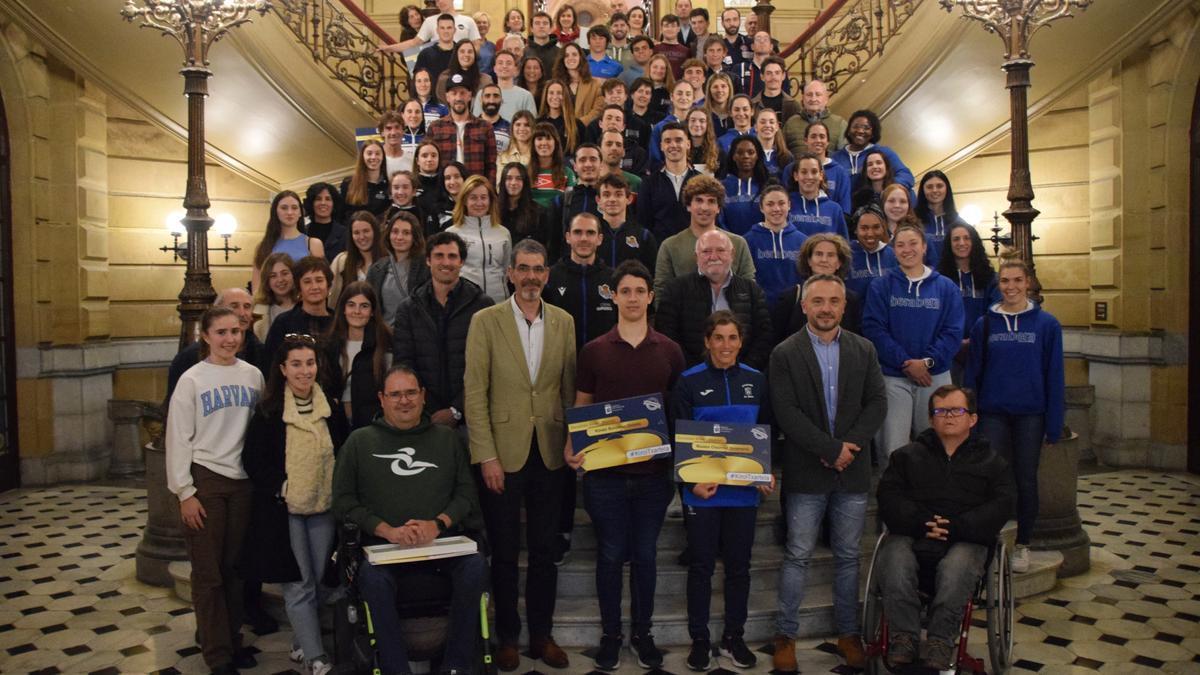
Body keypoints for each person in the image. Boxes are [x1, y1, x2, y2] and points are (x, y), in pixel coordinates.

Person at [565, 260, 686, 671]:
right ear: (613, 296)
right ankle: (611, 636)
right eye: (625, 291)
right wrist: (571, 444)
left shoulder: (669, 350)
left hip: (654, 477)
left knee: (647, 556)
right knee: (611, 555)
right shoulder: (593, 350)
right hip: (605, 477)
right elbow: (582, 405)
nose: (633, 298)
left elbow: (677, 413)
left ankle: (644, 634)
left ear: (651, 297)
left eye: (640, 291)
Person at [464, 239, 577, 670]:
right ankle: (509, 637)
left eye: (538, 269)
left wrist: (573, 441)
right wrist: (486, 456)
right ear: (510, 273)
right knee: (506, 552)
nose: (531, 276)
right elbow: (475, 394)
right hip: (502, 457)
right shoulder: (486, 321)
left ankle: (542, 636)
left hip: (549, 452)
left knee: (545, 552)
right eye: (523, 268)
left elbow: (568, 389)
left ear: (547, 275)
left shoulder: (564, 322)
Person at [331, 364, 487, 675]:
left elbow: (467, 496)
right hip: (383, 549)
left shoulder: (447, 440)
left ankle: (455, 666)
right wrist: (386, 529)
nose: (404, 401)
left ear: (423, 396)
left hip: (442, 545)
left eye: (411, 393)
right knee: (372, 580)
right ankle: (395, 669)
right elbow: (343, 502)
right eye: (396, 394)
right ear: (382, 399)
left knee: (476, 567)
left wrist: (437, 524)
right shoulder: (360, 443)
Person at [770, 274, 887, 672]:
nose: (825, 308)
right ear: (804, 305)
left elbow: (876, 403)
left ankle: (849, 634)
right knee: (798, 555)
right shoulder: (785, 352)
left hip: (851, 473)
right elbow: (786, 411)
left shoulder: (864, 349)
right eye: (817, 300)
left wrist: (846, 448)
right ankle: (785, 635)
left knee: (849, 557)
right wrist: (828, 448)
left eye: (833, 301)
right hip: (806, 471)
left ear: (843, 305)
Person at [875, 384, 1015, 671]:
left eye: (956, 410)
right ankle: (903, 636)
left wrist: (957, 527)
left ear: (972, 419)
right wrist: (921, 522)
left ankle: (941, 640)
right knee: (893, 556)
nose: (948, 417)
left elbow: (1001, 505)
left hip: (967, 539)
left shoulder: (993, 463)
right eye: (940, 411)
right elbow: (889, 497)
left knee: (958, 565)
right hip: (914, 534)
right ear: (930, 419)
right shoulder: (906, 457)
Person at [165, 307, 265, 675]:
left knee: (235, 569)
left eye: (236, 331)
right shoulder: (192, 380)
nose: (230, 339)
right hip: (206, 480)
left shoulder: (253, 376)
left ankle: (232, 639)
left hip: (242, 482)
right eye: (221, 332)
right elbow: (178, 437)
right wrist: (185, 492)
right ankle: (217, 654)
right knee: (208, 574)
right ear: (205, 336)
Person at [242, 334, 348, 675]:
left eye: (310, 363)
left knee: (319, 579)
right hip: (284, 512)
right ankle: (316, 656)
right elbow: (253, 461)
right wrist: (284, 487)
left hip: (324, 506)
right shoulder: (269, 411)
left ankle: (302, 640)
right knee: (298, 582)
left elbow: (345, 453)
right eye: (297, 364)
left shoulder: (330, 408)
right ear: (283, 369)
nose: (305, 371)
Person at [672, 310, 771, 671]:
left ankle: (733, 637)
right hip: (702, 492)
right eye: (719, 338)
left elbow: (765, 432)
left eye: (732, 338)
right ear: (707, 342)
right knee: (700, 567)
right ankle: (699, 640)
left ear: (740, 342)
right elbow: (677, 436)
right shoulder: (688, 381)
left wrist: (765, 473)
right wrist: (689, 481)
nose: (725, 345)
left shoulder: (757, 381)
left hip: (743, 494)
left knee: (739, 568)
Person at [965, 260, 1064, 573]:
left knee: (1025, 479)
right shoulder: (985, 324)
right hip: (992, 412)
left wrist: (1054, 424)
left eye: (1016, 280)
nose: (1010, 287)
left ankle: (1023, 544)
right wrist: (970, 413)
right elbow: (973, 373)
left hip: (1030, 415)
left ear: (1028, 282)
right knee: (990, 478)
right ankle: (987, 541)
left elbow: (1054, 374)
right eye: (1004, 281)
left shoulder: (1047, 325)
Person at [862, 225, 965, 468]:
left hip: (935, 376)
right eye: (900, 245)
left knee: (937, 442)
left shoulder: (946, 287)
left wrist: (927, 362)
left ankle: (932, 500)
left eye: (913, 244)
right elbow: (874, 328)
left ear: (925, 247)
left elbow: (953, 331)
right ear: (893, 250)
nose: (907, 250)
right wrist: (906, 363)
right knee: (892, 447)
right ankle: (894, 501)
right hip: (893, 376)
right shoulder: (881, 285)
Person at [391, 231, 494, 429]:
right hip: (424, 416)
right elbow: (404, 364)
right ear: (428, 260)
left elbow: (489, 365)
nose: (446, 262)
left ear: (462, 262)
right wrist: (427, 407)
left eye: (452, 256)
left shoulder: (483, 305)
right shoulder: (408, 308)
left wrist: (456, 410)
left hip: (473, 417)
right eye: (439, 256)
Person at [655, 229, 773, 370]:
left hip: (742, 376)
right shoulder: (675, 290)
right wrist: (697, 373)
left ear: (732, 254)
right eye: (706, 252)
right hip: (691, 377)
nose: (713, 257)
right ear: (696, 257)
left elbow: (764, 337)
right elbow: (668, 336)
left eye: (721, 250)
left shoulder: (752, 290)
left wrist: (742, 371)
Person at [653, 172, 756, 297]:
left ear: (718, 208)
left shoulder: (738, 244)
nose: (704, 207)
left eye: (711, 201)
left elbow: (749, 288)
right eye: (699, 200)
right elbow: (661, 291)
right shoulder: (670, 246)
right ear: (688, 205)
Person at [166, 288, 263, 408]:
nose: (242, 313)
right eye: (234, 306)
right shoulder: (189, 357)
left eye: (247, 306)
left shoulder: (262, 355)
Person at [772, 233, 863, 342]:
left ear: (839, 263)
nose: (824, 260)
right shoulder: (790, 298)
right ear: (809, 260)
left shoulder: (851, 299)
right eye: (819, 254)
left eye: (830, 255)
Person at [937, 223, 1000, 382]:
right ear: (949, 244)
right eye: (956, 239)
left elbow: (995, 312)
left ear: (974, 242)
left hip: (982, 346)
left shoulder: (990, 277)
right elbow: (936, 315)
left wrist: (974, 340)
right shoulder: (939, 279)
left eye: (966, 238)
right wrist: (955, 342)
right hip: (949, 350)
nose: (961, 243)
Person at [324, 281, 392, 429]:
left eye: (364, 306)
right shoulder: (331, 344)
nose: (357, 311)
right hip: (337, 423)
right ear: (343, 309)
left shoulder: (386, 342)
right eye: (351, 305)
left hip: (374, 425)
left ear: (373, 311)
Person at [546, 212, 617, 351]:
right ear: (568, 237)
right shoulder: (550, 277)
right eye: (577, 232)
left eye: (590, 233)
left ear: (599, 239)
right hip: (561, 361)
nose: (584, 238)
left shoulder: (614, 278)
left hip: (603, 361)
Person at [445, 175, 512, 303]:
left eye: (483, 197)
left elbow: (505, 270)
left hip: (498, 302)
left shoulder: (503, 233)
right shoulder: (451, 234)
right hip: (465, 304)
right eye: (473, 198)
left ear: (490, 200)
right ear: (464, 200)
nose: (479, 203)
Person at [263, 256, 337, 368]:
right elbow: (271, 365)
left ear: (329, 286)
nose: (314, 287)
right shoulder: (283, 323)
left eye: (319, 280)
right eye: (307, 282)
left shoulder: (339, 322)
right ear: (299, 288)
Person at [743, 184, 807, 308]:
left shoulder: (804, 241)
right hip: (760, 309)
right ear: (761, 207)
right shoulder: (747, 241)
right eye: (770, 204)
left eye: (781, 203)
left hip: (795, 309)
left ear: (789, 205)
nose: (776, 209)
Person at [426, 74, 498, 183]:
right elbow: (430, 164)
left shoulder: (485, 127)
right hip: (445, 191)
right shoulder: (435, 127)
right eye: (454, 93)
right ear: (447, 97)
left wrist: (488, 191)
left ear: (469, 96)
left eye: (462, 93)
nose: (458, 98)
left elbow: (491, 165)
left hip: (475, 190)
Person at [638, 122, 702, 242]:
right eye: (668, 141)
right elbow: (644, 223)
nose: (673, 145)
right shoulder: (649, 183)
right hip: (661, 252)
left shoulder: (702, 182)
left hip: (696, 250)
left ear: (688, 144)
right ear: (661, 146)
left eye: (678, 140)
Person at [252, 191, 326, 293]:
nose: (290, 212)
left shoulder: (313, 244)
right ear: (275, 211)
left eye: (294, 208)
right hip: (272, 305)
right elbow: (257, 288)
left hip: (303, 304)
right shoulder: (263, 247)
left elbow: (320, 280)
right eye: (284, 208)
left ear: (301, 212)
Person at [367, 212, 431, 326]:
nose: (399, 237)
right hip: (384, 335)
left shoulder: (426, 267)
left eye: (406, 233)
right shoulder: (376, 269)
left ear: (414, 237)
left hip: (414, 335)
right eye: (395, 232)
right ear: (388, 234)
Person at [831, 109, 915, 193]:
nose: (860, 131)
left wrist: (886, 190)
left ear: (873, 133)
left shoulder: (884, 152)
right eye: (855, 126)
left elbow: (906, 176)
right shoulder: (835, 158)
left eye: (866, 128)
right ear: (848, 130)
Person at [788, 119, 851, 215]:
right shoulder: (791, 169)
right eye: (813, 136)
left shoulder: (840, 172)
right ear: (805, 140)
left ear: (828, 141)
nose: (818, 140)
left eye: (822, 137)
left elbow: (844, 209)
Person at [596, 172, 657, 271]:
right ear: (598, 200)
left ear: (629, 199)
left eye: (618, 194)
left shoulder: (644, 237)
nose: (612, 199)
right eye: (606, 195)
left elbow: (651, 276)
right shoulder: (591, 234)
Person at [499, 162, 558, 263]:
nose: (513, 183)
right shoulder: (494, 211)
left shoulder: (539, 212)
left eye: (518, 178)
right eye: (509, 178)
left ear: (525, 182)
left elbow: (545, 246)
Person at [380, 0, 480, 54]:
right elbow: (414, 43)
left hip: (462, 67)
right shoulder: (430, 21)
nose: (439, 2)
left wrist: (467, 60)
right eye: (437, 0)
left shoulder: (468, 21)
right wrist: (390, 48)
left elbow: (476, 45)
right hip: (438, 67)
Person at [789, 152, 849, 239]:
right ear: (796, 176)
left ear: (821, 175)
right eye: (804, 172)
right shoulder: (786, 205)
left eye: (814, 172)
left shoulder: (834, 209)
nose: (809, 177)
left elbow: (843, 246)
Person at [330, 210, 385, 304]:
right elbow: (333, 298)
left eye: (366, 231)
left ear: (375, 232)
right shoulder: (342, 261)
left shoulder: (388, 262)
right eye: (356, 233)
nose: (362, 237)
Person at [720, 134, 769, 237]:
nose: (746, 156)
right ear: (733, 156)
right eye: (740, 152)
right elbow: (720, 221)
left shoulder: (768, 186)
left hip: (761, 246)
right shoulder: (722, 186)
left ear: (758, 156)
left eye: (751, 152)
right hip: (731, 244)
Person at [783, 79, 846, 158]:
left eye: (818, 94)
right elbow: (782, 153)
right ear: (803, 98)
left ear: (826, 99)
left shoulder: (839, 124)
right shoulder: (791, 123)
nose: (813, 99)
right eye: (809, 94)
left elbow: (845, 157)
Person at [915, 170, 965, 269]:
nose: (934, 190)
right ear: (922, 190)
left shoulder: (959, 223)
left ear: (947, 189)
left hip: (952, 277)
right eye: (929, 187)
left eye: (939, 186)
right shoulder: (913, 221)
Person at [846, 203, 897, 298]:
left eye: (876, 227)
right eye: (864, 228)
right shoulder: (846, 254)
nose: (870, 233)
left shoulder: (893, 255)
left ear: (883, 228)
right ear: (856, 230)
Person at [475, 50, 537, 120]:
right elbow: (476, 122)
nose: (504, 66)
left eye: (508, 63)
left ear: (515, 69)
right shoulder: (482, 94)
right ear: (494, 69)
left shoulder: (526, 96)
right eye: (500, 63)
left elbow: (531, 125)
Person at [555, 43, 605, 125]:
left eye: (574, 54)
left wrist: (577, 124)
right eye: (566, 55)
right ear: (562, 60)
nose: (570, 58)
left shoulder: (595, 84)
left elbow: (598, 110)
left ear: (580, 58)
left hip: (585, 131)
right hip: (560, 130)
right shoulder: (556, 84)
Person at [252, 253, 296, 344]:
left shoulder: (305, 305)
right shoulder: (256, 310)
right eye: (273, 276)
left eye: (285, 273)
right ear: (267, 280)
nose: (280, 280)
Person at [530, 121, 576, 209]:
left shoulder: (567, 173)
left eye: (548, 138)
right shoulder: (524, 171)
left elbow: (571, 204)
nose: (544, 143)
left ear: (556, 143)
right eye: (539, 139)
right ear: (533, 143)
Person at [559, 143, 605, 231]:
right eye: (582, 160)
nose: (588, 164)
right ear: (575, 167)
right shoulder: (562, 200)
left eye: (593, 159)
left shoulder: (610, 199)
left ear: (601, 165)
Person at [435, 39, 494, 105]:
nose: (466, 55)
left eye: (470, 52)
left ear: (474, 55)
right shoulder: (444, 78)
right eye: (462, 52)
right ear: (456, 55)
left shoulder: (485, 80)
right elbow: (442, 104)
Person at [340, 141, 390, 218]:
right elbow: (341, 214)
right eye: (369, 153)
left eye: (377, 153)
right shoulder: (348, 183)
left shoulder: (389, 185)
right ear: (362, 156)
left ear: (383, 157)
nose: (373, 157)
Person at [539, 79, 587, 154]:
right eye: (551, 93)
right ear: (545, 96)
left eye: (559, 93)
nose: (555, 97)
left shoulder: (577, 124)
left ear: (565, 96)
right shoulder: (538, 123)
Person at [411, 15, 460, 88]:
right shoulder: (425, 54)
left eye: (449, 28)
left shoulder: (461, 53)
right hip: (433, 97)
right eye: (442, 28)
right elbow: (418, 81)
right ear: (437, 30)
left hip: (457, 96)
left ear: (454, 30)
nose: (446, 31)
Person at [302, 182, 348, 261]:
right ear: (311, 203)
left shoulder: (345, 233)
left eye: (328, 199)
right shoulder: (303, 233)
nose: (323, 203)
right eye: (318, 199)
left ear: (334, 204)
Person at [381, 171, 428, 239]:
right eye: (396, 188)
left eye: (405, 187)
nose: (400, 192)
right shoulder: (383, 218)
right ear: (390, 192)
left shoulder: (423, 217)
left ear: (414, 191)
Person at [752, 56, 799, 122]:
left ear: (783, 76)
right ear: (762, 76)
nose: (773, 77)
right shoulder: (753, 105)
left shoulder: (793, 106)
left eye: (777, 73)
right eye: (769, 73)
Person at [599, 128, 645, 193]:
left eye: (618, 145)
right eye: (609, 144)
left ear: (623, 152)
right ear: (599, 150)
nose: (614, 148)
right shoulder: (590, 181)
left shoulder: (636, 183)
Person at [755, 107, 792, 181]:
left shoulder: (787, 157)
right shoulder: (750, 156)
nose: (767, 125)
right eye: (762, 122)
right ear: (755, 127)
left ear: (777, 127)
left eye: (771, 122)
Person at [475, 84, 512, 154]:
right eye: (487, 96)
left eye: (496, 96)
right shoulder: (470, 126)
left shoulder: (510, 128)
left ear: (501, 100)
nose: (491, 101)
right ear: (481, 100)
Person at [497, 110, 535, 176]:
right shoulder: (501, 157)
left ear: (533, 128)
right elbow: (498, 184)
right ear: (512, 128)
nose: (522, 128)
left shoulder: (539, 156)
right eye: (518, 124)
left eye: (527, 125)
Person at [685, 108, 722, 175]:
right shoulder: (680, 151)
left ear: (708, 125)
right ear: (687, 123)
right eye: (693, 120)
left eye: (702, 121)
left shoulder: (718, 154)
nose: (697, 124)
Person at [654, 14, 692, 79]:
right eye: (666, 26)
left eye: (673, 26)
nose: (670, 29)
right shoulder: (655, 49)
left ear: (678, 29)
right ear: (661, 29)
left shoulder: (686, 51)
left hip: (679, 87)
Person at [526, 11, 560, 76]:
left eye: (545, 23)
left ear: (550, 28)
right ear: (531, 29)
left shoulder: (560, 53)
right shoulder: (524, 53)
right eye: (537, 23)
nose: (541, 26)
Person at [379, 110, 410, 179]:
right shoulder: (376, 159)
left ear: (403, 131)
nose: (393, 132)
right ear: (382, 132)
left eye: (397, 127)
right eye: (388, 128)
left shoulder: (412, 160)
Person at [704, 71, 735, 137]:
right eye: (715, 87)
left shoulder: (736, 114)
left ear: (729, 89)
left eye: (723, 86)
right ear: (709, 90)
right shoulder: (703, 114)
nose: (719, 90)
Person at [474, 11, 496, 75]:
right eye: (478, 22)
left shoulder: (492, 46)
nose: (482, 25)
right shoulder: (469, 44)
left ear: (488, 26)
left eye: (484, 22)